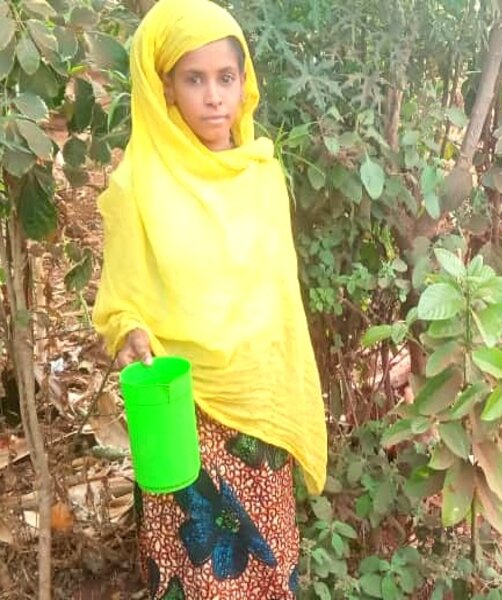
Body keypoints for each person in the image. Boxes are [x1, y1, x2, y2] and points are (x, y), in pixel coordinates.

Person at [92, 1, 327, 597]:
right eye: (194, 79)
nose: (214, 97)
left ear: (246, 83)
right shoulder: (138, 183)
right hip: (184, 407)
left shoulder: (260, 174)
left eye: (226, 77)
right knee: (196, 568)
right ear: (165, 88)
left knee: (267, 562)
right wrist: (131, 330)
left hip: (260, 399)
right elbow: (124, 291)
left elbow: (277, 293)